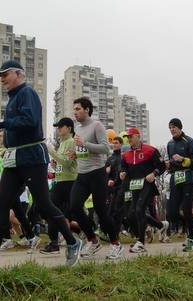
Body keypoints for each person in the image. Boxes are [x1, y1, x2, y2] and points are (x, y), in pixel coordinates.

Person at [0, 60, 82, 269]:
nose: (2, 80)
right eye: (0, 76)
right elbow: (17, 127)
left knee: (44, 204)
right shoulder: (14, 98)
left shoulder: (27, 93)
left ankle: (73, 242)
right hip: (14, 160)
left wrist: (0, 123)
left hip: (33, 158)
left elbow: (30, 121)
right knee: (1, 203)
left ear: (19, 74)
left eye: (5, 75)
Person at [69, 97, 122, 260]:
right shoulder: (77, 128)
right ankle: (93, 240)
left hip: (97, 173)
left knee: (101, 211)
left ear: (87, 109)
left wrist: (85, 144)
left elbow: (106, 149)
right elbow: (83, 151)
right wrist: (75, 155)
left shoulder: (97, 125)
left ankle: (115, 243)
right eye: (74, 109)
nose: (75, 112)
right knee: (74, 208)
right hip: (82, 174)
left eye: (78, 109)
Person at [120, 128, 166, 253]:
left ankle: (141, 242)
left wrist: (154, 173)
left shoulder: (150, 150)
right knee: (131, 214)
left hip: (147, 185)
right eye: (127, 137)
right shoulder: (126, 154)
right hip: (134, 186)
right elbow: (123, 166)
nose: (129, 139)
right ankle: (159, 226)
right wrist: (122, 172)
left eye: (131, 137)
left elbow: (162, 166)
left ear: (138, 136)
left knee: (140, 210)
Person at [41, 117, 78, 254]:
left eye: (60, 126)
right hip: (60, 182)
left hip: (70, 183)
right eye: (57, 127)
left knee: (71, 216)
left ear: (69, 128)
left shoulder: (72, 142)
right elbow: (62, 163)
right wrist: (55, 166)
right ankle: (54, 243)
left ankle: (86, 234)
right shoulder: (62, 143)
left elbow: (68, 163)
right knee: (50, 210)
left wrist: (52, 152)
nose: (58, 129)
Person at [165, 118, 193, 251]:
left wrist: (183, 159)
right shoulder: (170, 144)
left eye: (174, 127)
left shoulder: (189, 141)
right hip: (175, 178)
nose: (172, 130)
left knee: (186, 209)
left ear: (180, 127)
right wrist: (168, 165)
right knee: (172, 212)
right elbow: (171, 161)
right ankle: (192, 226)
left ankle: (192, 238)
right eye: (170, 128)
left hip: (188, 177)